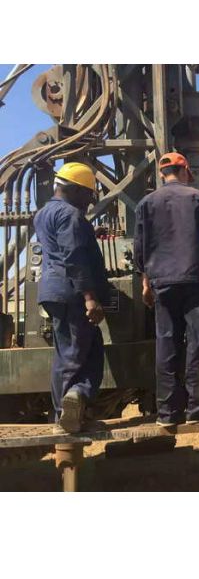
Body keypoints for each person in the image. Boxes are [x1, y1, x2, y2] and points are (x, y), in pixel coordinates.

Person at [134, 152, 199, 426]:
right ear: (186, 170)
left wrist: (145, 284)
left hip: (162, 283)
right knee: (197, 343)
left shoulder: (146, 203)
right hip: (195, 281)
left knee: (166, 344)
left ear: (161, 174)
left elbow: (140, 249)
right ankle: (196, 409)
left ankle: (167, 413)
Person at [34, 162, 110, 433]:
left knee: (87, 350)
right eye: (88, 194)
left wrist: (89, 234)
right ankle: (65, 417)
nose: (89, 202)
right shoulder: (71, 215)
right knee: (73, 356)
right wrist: (90, 296)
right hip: (71, 293)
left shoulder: (43, 214)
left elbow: (61, 246)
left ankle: (76, 406)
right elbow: (74, 257)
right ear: (76, 190)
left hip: (52, 290)